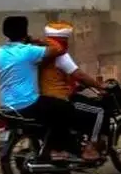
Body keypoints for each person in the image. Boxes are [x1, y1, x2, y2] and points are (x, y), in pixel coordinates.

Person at [0, 16, 76, 161]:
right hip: (28, 103)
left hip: (7, 105)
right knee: (65, 108)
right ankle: (57, 150)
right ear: (25, 32)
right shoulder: (29, 51)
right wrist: (38, 41)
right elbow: (59, 49)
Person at [39, 22, 107, 161]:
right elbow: (80, 75)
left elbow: (59, 76)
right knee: (100, 111)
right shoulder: (60, 55)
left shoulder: (40, 53)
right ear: (64, 40)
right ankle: (91, 147)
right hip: (60, 98)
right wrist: (99, 86)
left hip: (42, 97)